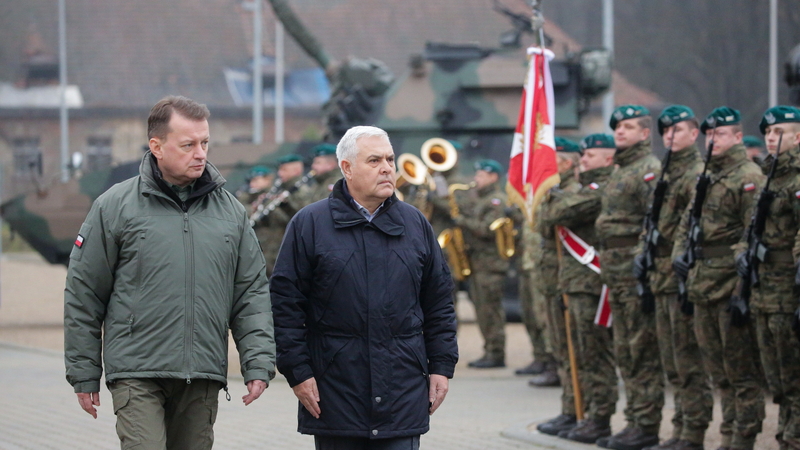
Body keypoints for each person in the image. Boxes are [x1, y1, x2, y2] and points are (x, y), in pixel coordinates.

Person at [64, 95, 275, 450]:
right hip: (136, 372)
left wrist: (257, 362)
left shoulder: (231, 213)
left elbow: (250, 293)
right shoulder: (115, 206)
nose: (201, 154)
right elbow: (84, 292)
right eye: (188, 145)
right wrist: (84, 372)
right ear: (156, 146)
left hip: (202, 374)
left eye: (205, 143)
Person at [270, 125, 458, 450]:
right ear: (347, 168)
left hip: (402, 393)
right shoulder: (309, 224)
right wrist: (297, 372)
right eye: (374, 160)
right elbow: (285, 306)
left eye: (390, 159)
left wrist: (441, 366)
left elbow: (439, 302)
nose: (387, 168)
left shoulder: (415, 224)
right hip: (335, 394)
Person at [673, 107, 765, 450]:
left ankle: (742, 438)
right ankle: (727, 435)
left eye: (721, 134)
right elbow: (687, 223)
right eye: (709, 135)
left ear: (738, 137)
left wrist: (743, 287)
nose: (713, 140)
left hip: (730, 284)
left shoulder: (748, 176)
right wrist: (679, 254)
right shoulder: (706, 176)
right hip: (701, 282)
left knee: (740, 371)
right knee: (718, 371)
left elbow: (752, 233)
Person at [638, 106, 713, 450]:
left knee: (688, 361)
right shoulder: (667, 172)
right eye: (666, 130)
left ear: (694, 134)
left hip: (679, 278)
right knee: (672, 362)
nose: (670, 135)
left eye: (678, 130)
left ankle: (693, 432)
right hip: (660, 277)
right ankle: (680, 428)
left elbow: (690, 229)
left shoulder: (695, 173)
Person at [537, 134, 619, 443]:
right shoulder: (581, 188)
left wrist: (551, 194)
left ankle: (596, 416)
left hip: (589, 281)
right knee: (570, 351)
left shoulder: (597, 188)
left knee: (593, 354)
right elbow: (543, 223)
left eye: (589, 156)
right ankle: (575, 410)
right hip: (569, 280)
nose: (584, 161)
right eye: (582, 156)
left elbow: (553, 215)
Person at [596, 105, 664, 450]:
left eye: (628, 126)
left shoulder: (649, 169)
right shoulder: (621, 169)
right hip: (616, 272)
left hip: (634, 272)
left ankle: (646, 425)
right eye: (617, 126)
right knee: (625, 350)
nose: (620, 131)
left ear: (644, 133)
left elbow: (654, 222)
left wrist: (640, 263)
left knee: (642, 351)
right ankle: (635, 419)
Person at [746, 106, 800, 450]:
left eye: (779, 132)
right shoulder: (768, 177)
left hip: (788, 288)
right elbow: (751, 227)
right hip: (764, 288)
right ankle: (785, 434)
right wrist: (743, 251)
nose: (770, 137)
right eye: (768, 132)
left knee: (793, 372)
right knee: (777, 376)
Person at [532, 137, 584, 436]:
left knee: (573, 349)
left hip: (568, 278)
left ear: (565, 164)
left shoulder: (572, 192)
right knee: (561, 349)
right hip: (553, 278)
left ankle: (579, 409)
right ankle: (569, 409)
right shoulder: (555, 192)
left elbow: (550, 222)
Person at [458, 159, 511, 368]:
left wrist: (461, 221)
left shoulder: (496, 201)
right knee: (482, 310)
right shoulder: (481, 199)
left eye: (481, 175)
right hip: (479, 263)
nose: (476, 179)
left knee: (491, 311)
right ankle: (489, 350)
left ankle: (496, 353)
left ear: (493, 177)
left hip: (490, 265)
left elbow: (487, 230)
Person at [254, 153, 309, 277]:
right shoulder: (281, 190)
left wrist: (282, 206)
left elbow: (300, 221)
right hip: (271, 248)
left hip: (285, 250)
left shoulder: (301, 192)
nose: (280, 173)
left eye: (284, 170)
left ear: (296, 171)